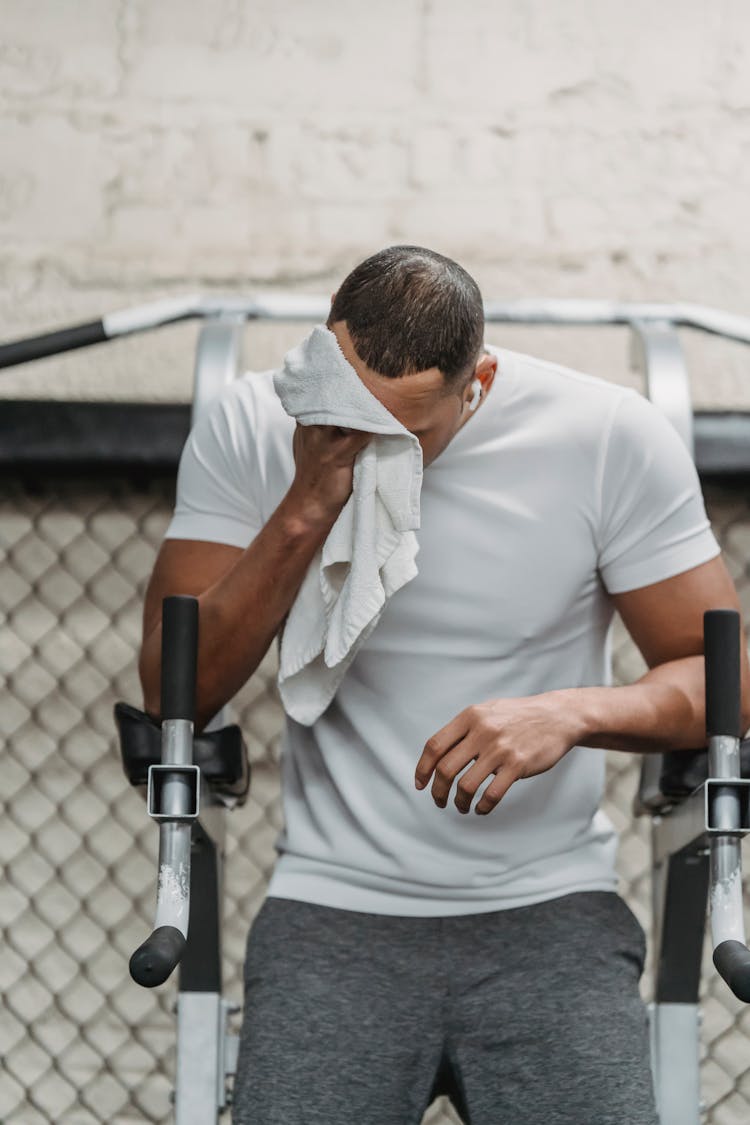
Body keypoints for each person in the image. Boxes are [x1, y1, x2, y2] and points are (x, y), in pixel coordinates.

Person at [138, 245, 750, 1125]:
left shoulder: (608, 435)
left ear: (480, 380)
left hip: (550, 903)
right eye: (355, 412)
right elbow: (174, 691)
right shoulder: (255, 425)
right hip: (332, 901)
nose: (377, 444)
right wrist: (308, 504)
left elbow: (721, 680)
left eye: (410, 430)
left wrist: (575, 711)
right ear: (326, 352)